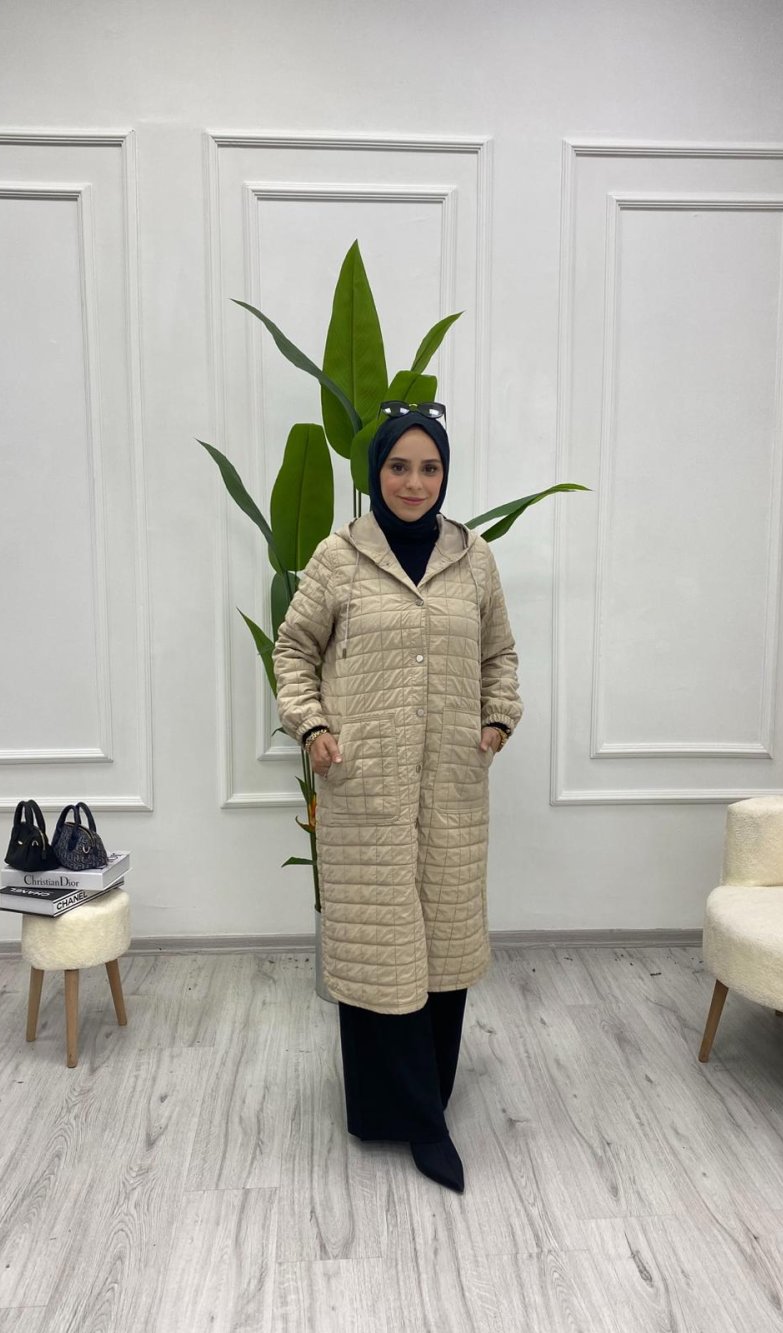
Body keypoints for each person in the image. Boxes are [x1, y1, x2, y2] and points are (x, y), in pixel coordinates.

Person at [271, 403, 523, 1193]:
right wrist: (313, 726)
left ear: (445, 474)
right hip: (365, 788)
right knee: (381, 948)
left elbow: (500, 654)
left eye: (429, 467)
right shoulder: (339, 557)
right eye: (399, 466)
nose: (414, 482)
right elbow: (294, 649)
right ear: (376, 470)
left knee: (443, 942)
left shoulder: (473, 559)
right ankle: (409, 1118)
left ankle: (426, 1103)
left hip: (451, 783)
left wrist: (496, 719)